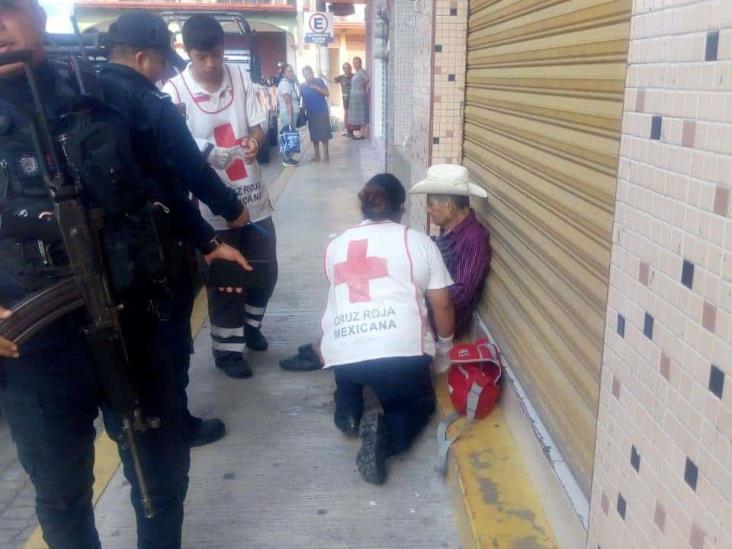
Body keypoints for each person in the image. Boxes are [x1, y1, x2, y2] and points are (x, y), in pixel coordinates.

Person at [0, 1, 248, 546]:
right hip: (32, 341)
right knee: (61, 488)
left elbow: (167, 178)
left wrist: (207, 241)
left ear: (38, 16)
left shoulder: (109, 94)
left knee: (159, 470)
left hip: (136, 315)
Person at [97, 10, 254, 447]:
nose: (166, 69)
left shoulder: (82, 95)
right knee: (167, 339)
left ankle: (127, 424)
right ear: (141, 57)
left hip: (99, 255)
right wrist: (231, 210)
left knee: (120, 344)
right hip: (151, 249)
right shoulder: (150, 104)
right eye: (161, 60)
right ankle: (175, 423)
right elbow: (188, 171)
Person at [319, 174, 455, 485]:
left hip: (344, 354)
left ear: (364, 205)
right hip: (401, 354)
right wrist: (444, 352)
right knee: (416, 405)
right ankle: (389, 435)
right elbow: (443, 305)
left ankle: (349, 414)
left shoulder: (336, 245)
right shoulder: (418, 242)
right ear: (400, 209)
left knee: (351, 378)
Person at [162, 14, 278, 380]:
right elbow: (168, 143)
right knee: (227, 279)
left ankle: (250, 327)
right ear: (187, 53)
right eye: (202, 57)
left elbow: (259, 123)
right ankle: (228, 352)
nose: (212, 64)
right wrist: (204, 151)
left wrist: (254, 141)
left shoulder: (241, 79)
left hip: (254, 199)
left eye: (217, 55)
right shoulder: (173, 92)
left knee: (264, 272)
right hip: (213, 211)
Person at [409, 164, 491, 339]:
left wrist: (419, 296)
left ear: (449, 206)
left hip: (440, 326)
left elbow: (461, 294)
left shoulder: (473, 240)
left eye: (430, 204)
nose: (428, 210)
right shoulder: (448, 228)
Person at [300, 65, 332, 162]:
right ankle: (317, 156)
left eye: (309, 74)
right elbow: (304, 100)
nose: (307, 76)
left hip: (322, 111)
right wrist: (302, 110)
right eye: (305, 75)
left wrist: (317, 88)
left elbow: (327, 93)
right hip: (311, 113)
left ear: (312, 73)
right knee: (314, 135)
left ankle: (326, 156)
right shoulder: (302, 86)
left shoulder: (319, 81)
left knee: (324, 134)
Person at [276, 63, 300, 167]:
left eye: (292, 71)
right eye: (289, 71)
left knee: (289, 136)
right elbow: (288, 103)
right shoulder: (285, 85)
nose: (291, 73)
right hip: (287, 115)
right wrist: (290, 119)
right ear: (283, 73)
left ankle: (289, 158)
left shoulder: (289, 83)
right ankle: (286, 159)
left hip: (290, 114)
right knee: (286, 135)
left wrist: (296, 81)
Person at [347, 56, 369, 139]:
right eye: (354, 63)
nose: (355, 64)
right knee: (359, 115)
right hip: (355, 96)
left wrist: (362, 86)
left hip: (360, 95)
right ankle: (361, 132)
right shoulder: (357, 72)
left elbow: (367, 79)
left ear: (360, 63)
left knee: (362, 114)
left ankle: (362, 134)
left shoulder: (362, 72)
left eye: (357, 62)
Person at [333, 62, 353, 137]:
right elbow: (332, 81)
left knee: (352, 115)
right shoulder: (341, 77)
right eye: (345, 68)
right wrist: (323, 76)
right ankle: (349, 131)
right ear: (343, 69)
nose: (347, 69)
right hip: (345, 99)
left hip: (354, 98)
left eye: (348, 68)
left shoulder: (354, 76)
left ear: (351, 68)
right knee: (347, 114)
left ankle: (351, 131)